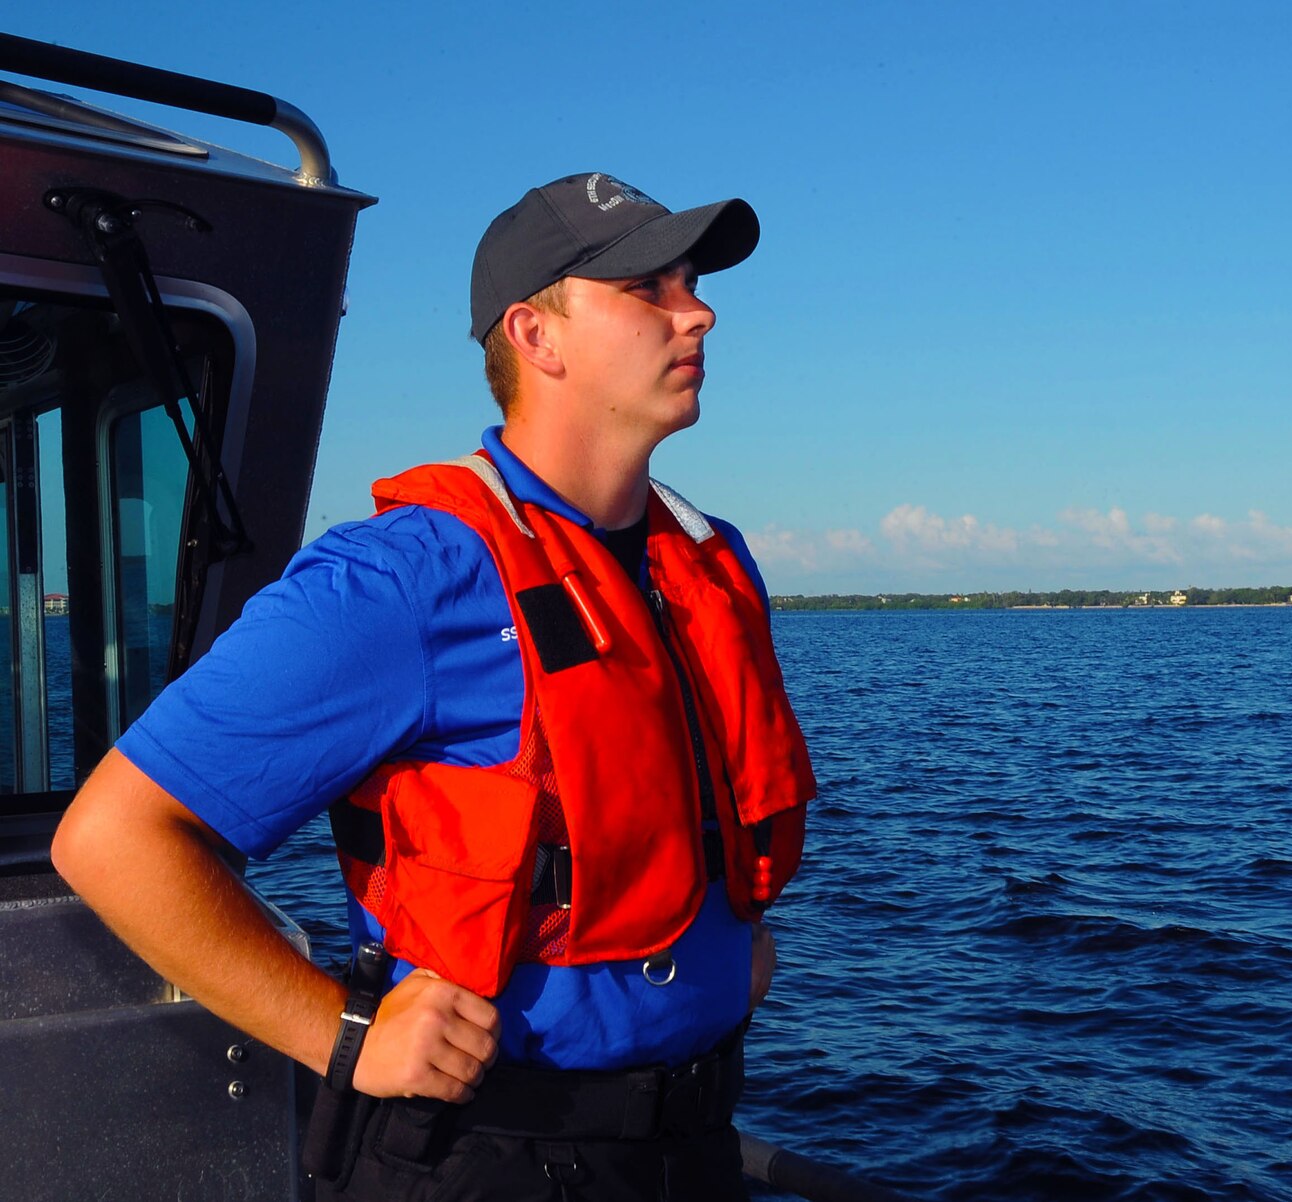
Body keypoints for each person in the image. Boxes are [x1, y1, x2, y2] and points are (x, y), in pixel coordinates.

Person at [51, 171, 815, 1201]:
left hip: (692, 1143)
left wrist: (728, 944)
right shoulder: (405, 576)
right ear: (535, 336)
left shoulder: (702, 559)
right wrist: (344, 1032)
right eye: (650, 285)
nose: (699, 308)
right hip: (494, 1158)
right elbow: (111, 837)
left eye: (691, 280)